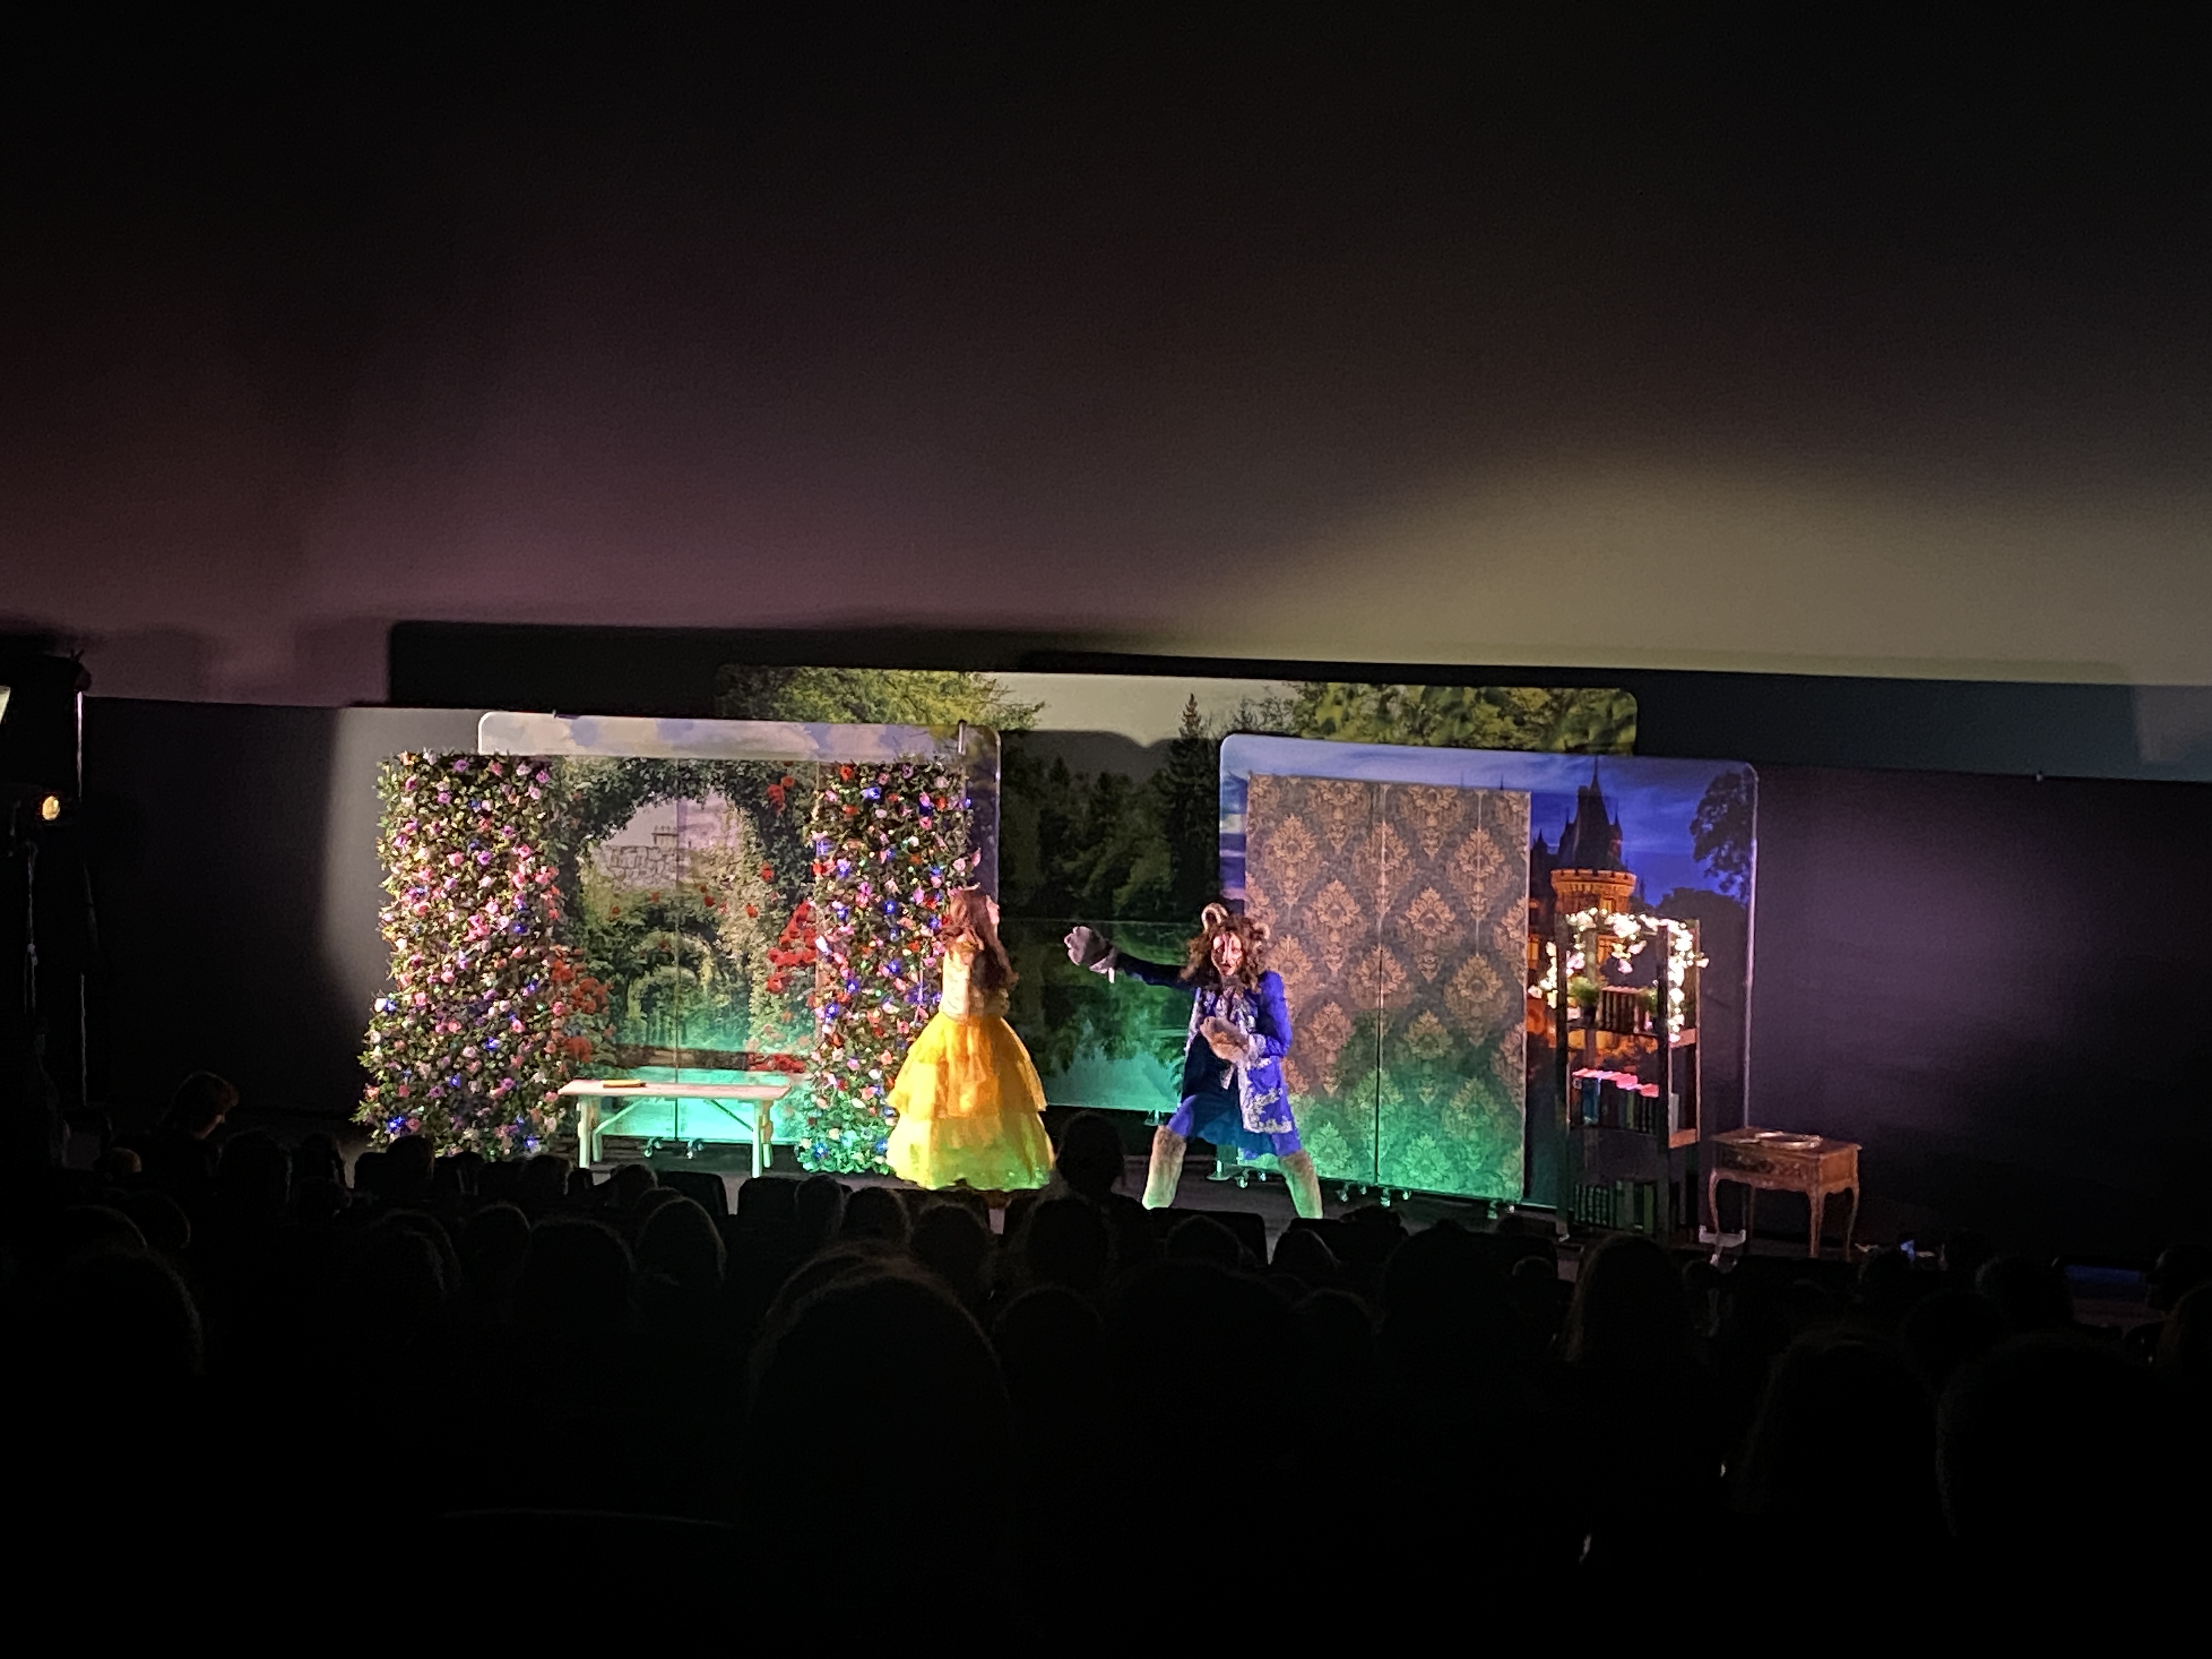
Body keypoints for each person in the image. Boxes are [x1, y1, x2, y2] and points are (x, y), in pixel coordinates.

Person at [1064, 901, 1322, 1218]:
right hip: (1212, 1087)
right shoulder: (1206, 982)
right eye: (1219, 949)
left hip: (1258, 1090)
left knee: (1291, 1155)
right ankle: (1151, 1217)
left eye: (1234, 950)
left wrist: (1242, 1041)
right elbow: (1160, 974)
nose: (1225, 958)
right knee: (1171, 1137)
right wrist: (1112, 956)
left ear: (1247, 953)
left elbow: (1281, 1042)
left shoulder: (1266, 985)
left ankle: (1316, 1226)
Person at [884, 887, 1054, 1197]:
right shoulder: (965, 949)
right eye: (990, 905)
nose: (996, 909)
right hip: (962, 1033)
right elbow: (959, 1004)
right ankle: (962, 1170)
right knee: (962, 1100)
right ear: (978, 913)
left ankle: (974, 1171)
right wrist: (981, 1013)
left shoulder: (981, 948)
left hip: (981, 1029)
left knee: (983, 1103)